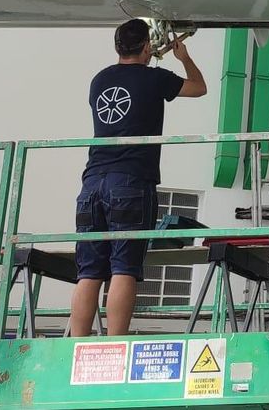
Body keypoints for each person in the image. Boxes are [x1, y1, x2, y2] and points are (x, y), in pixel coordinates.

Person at [70, 20, 206, 337]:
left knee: (88, 271)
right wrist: (182, 56)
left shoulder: (98, 80)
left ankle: (75, 347)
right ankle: (115, 343)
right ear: (147, 47)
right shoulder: (154, 78)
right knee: (124, 267)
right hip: (131, 180)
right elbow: (198, 87)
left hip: (92, 181)